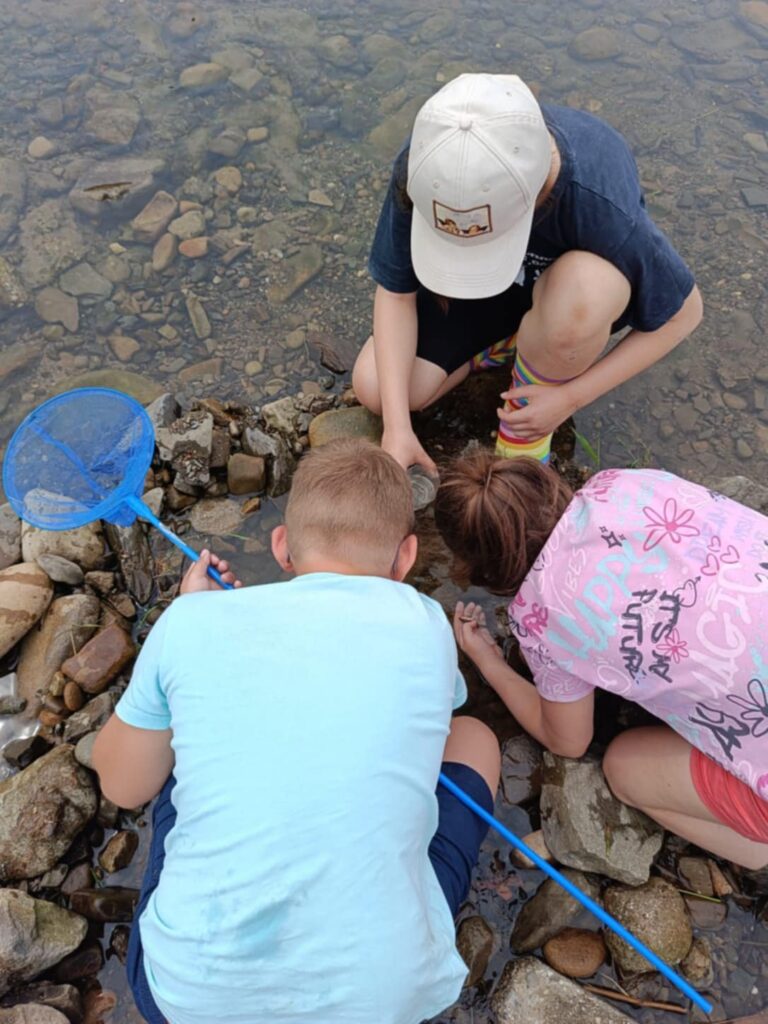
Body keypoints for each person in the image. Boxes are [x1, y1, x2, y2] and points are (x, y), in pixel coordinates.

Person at [91, 439, 500, 1024]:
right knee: (476, 739)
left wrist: (190, 616)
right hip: (382, 1002)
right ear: (405, 559)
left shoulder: (191, 621)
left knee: (183, 745)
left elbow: (123, 787)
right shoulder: (427, 621)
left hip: (190, 999)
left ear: (281, 547)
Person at [353, 72, 703, 474]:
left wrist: (569, 399)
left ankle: (528, 412)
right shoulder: (432, 165)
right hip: (481, 296)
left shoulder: (598, 202)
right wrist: (397, 429)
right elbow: (397, 293)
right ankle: (502, 346)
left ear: (535, 198)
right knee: (375, 387)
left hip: (564, 301)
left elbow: (684, 313)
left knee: (589, 287)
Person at [433, 451, 768, 870]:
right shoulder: (626, 482)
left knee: (623, 765)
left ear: (479, 568)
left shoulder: (542, 612)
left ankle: (753, 844)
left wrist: (489, 662)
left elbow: (567, 740)